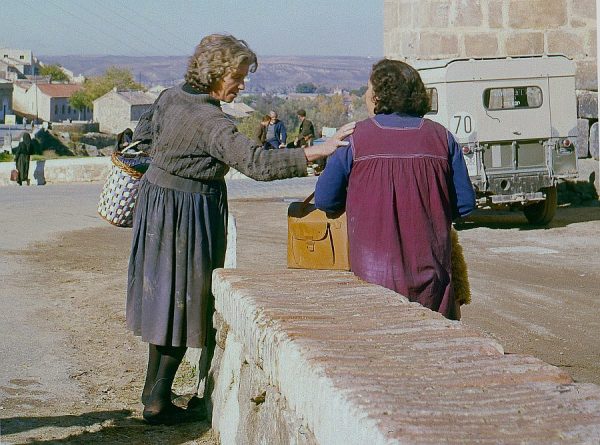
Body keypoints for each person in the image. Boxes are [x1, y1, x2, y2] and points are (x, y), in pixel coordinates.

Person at [126, 33, 354, 425]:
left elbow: (143, 138)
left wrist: (169, 163)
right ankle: (157, 402)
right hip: (187, 213)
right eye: (239, 77)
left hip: (158, 204)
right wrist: (317, 149)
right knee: (185, 302)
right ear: (216, 73)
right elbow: (257, 164)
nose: (242, 85)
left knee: (165, 301)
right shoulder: (210, 121)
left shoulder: (170, 97)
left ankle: (154, 392)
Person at [314, 59, 475, 321]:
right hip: (433, 285)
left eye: (368, 89)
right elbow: (465, 205)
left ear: (378, 96)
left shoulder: (354, 140)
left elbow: (325, 200)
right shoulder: (443, 138)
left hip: (371, 282)